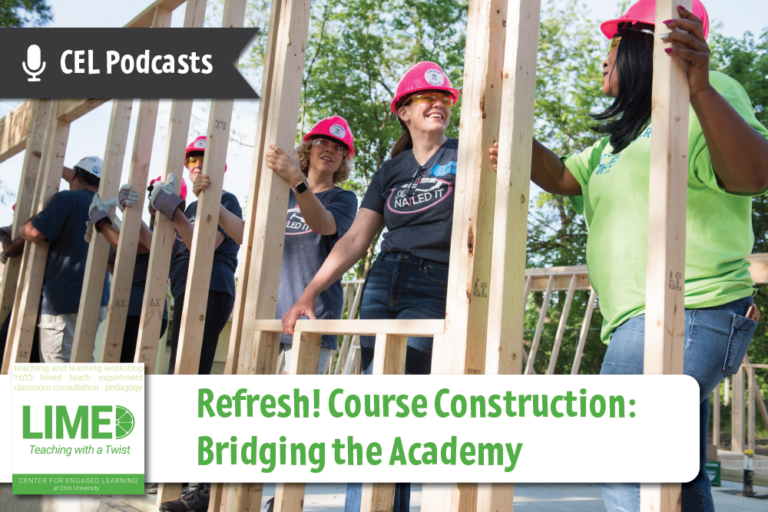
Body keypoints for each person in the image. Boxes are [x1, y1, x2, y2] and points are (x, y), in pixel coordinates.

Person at [488, 2, 768, 511]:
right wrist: (515, 139)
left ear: (646, 47)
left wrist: (700, 85)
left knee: (621, 450)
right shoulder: (620, 140)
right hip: (642, 319)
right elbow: (560, 178)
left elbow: (752, 174)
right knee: (675, 475)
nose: (604, 58)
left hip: (689, 311)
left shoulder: (709, 92)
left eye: (614, 44)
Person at [282, 62, 460, 512]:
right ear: (404, 110)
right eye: (426, 97)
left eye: (443, 98)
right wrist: (309, 295)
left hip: (433, 284)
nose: (437, 103)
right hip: (383, 284)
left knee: (398, 409)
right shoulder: (391, 170)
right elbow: (356, 239)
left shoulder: (466, 154)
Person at [194, 116, 359, 375]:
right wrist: (212, 199)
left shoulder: (343, 198)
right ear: (307, 149)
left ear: (343, 160)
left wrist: (297, 179)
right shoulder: (282, 197)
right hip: (267, 310)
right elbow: (245, 234)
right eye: (322, 142)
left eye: (339, 148)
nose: (330, 149)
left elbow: (324, 224)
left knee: (295, 405)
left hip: (311, 314)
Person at [149, 136, 242, 377]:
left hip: (210, 287)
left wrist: (173, 211)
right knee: (178, 368)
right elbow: (166, 250)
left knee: (191, 368)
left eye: (205, 159)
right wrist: (153, 214)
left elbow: (203, 249)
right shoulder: (190, 209)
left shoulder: (226, 200)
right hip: (185, 289)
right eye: (193, 159)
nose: (197, 164)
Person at [16, 156, 110, 363]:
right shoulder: (104, 207)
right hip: (97, 299)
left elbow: (34, 234)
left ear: (75, 175)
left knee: (59, 367)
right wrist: (48, 159)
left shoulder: (66, 199)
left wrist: (22, 228)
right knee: (83, 363)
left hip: (64, 300)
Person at [87, 177, 186, 362]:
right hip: (128, 307)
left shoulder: (171, 233)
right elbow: (116, 264)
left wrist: (102, 222)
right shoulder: (145, 231)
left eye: (159, 193)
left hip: (144, 310)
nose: (153, 197)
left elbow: (125, 244)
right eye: (152, 193)